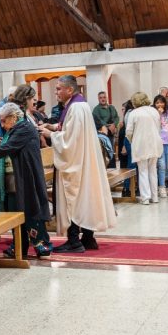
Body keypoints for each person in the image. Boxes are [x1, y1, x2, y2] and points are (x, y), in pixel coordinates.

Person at [40, 75, 116, 253]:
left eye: (59, 88)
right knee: (86, 197)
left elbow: (70, 140)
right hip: (85, 159)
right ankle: (88, 237)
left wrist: (50, 135)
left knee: (73, 196)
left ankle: (74, 241)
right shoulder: (80, 104)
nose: (56, 92)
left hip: (76, 161)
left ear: (70, 90)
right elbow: (72, 130)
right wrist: (55, 127)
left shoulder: (75, 107)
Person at [0, 102, 52, 258]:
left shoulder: (25, 128)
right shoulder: (14, 130)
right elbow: (6, 150)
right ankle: (19, 246)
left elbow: (8, 148)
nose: (2, 125)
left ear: (13, 117)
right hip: (13, 180)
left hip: (25, 179)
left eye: (3, 121)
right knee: (15, 213)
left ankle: (42, 245)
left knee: (30, 212)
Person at [125, 92, 162, 205]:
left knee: (142, 171)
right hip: (154, 142)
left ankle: (145, 197)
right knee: (153, 170)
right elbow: (158, 128)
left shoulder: (134, 113)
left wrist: (132, 140)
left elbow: (129, 131)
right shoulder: (154, 111)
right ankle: (155, 197)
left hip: (140, 144)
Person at [92, 92, 119, 168]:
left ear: (106, 98)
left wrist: (114, 124)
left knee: (112, 150)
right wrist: (108, 126)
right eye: (101, 98)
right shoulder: (96, 110)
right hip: (103, 134)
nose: (103, 99)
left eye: (104, 97)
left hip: (112, 133)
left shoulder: (112, 107)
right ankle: (107, 168)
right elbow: (98, 120)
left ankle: (113, 168)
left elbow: (117, 117)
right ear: (98, 99)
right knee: (106, 151)